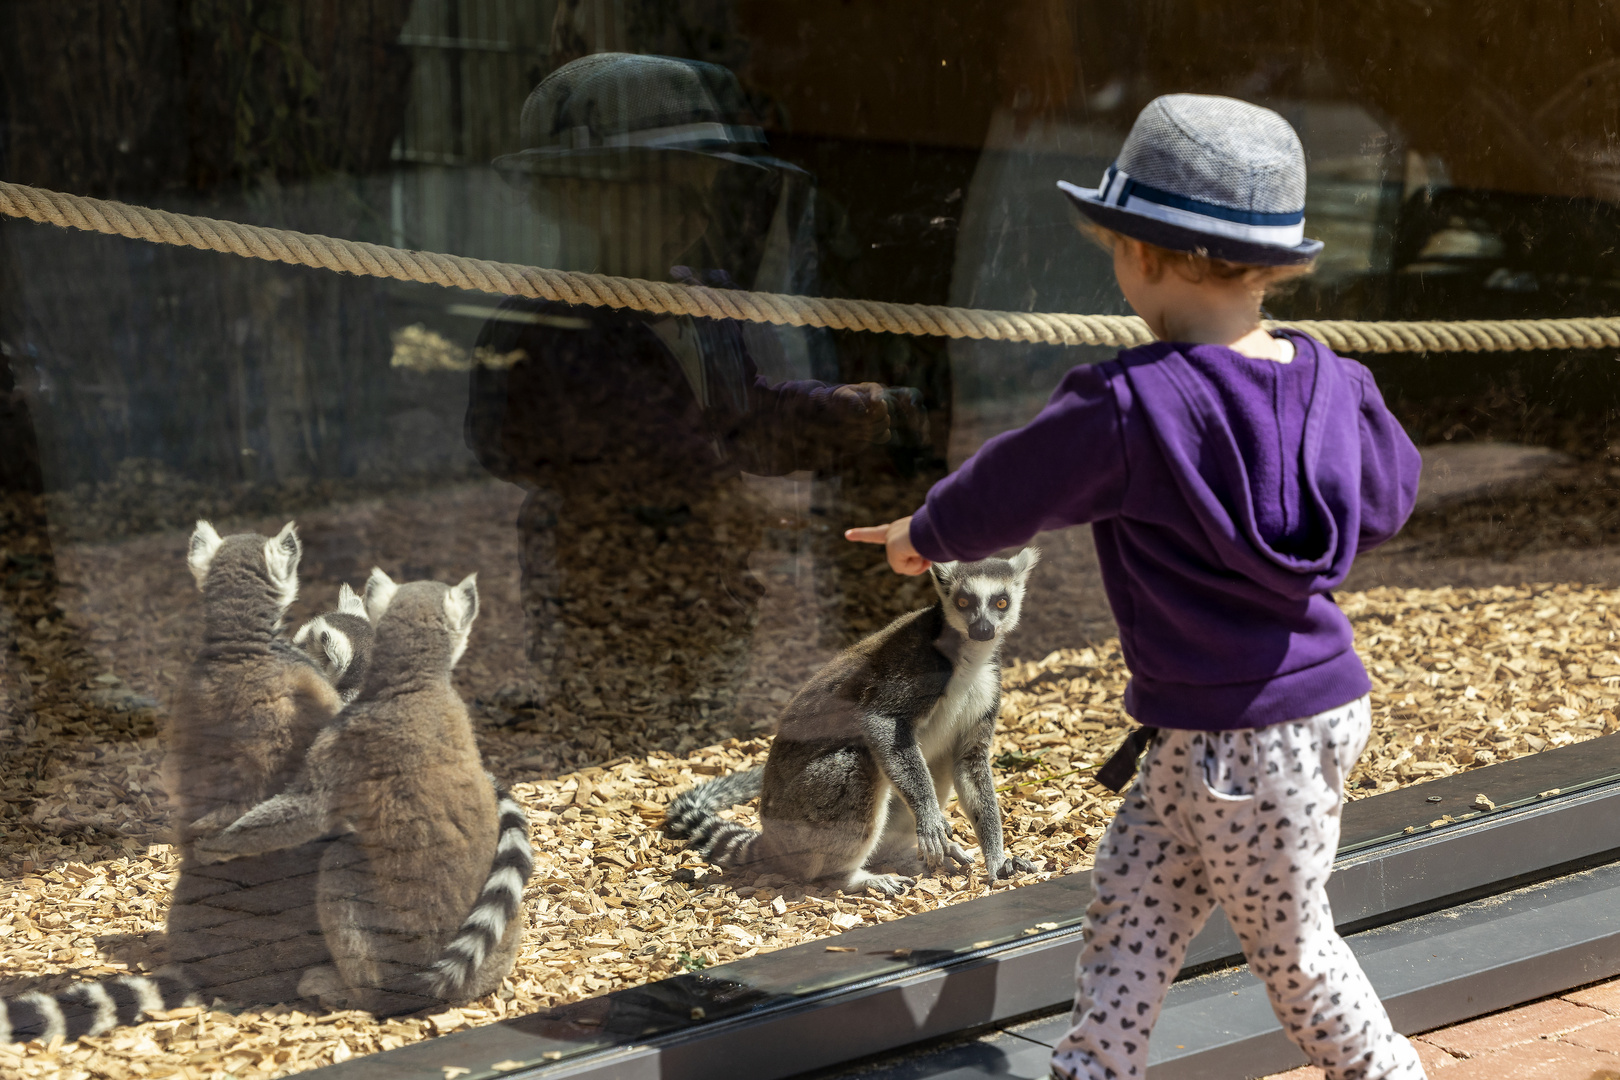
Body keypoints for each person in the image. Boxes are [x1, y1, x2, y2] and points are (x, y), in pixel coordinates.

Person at [847, 95, 1425, 1080]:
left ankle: (1385, 1072)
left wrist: (923, 533)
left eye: (1115, 244)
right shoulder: (1337, 383)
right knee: (1133, 900)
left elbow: (1011, 486)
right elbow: (1389, 491)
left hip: (1236, 743)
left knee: (1293, 952)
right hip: (1272, 720)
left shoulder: (1130, 406)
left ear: (1148, 257)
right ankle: (1093, 1065)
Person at [467, 53, 923, 728]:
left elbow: (744, 413)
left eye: (704, 191)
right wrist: (721, 497)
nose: (695, 212)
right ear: (578, 195)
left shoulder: (700, 297)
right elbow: (590, 448)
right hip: (603, 602)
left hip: (714, 597)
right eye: (669, 190)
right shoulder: (550, 324)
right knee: (617, 737)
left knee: (694, 721)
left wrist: (841, 415)